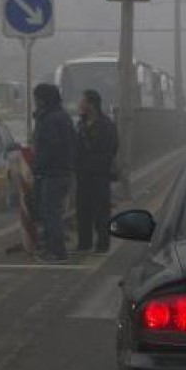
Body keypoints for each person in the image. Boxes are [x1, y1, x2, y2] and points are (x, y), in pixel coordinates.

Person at [31, 83, 76, 264]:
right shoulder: (60, 116)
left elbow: (51, 147)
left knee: (51, 213)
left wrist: (38, 165)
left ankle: (57, 252)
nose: (35, 101)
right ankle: (52, 248)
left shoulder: (51, 119)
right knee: (51, 211)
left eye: (36, 98)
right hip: (61, 171)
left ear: (43, 99)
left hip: (53, 172)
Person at [75, 89, 119, 254]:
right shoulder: (80, 125)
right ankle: (84, 243)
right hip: (82, 174)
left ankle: (102, 244)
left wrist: (97, 161)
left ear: (91, 104)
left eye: (82, 101)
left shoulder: (106, 125)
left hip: (99, 174)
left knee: (101, 210)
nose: (80, 104)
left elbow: (112, 147)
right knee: (83, 209)